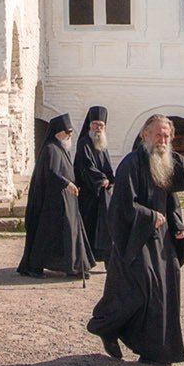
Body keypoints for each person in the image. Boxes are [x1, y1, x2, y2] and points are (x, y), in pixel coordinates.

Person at [88, 114, 184, 366]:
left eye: (166, 136)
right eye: (158, 135)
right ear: (145, 135)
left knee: (167, 285)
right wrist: (148, 216)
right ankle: (105, 326)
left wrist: (177, 225)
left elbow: (171, 201)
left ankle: (155, 351)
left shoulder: (168, 162)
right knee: (143, 287)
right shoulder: (130, 164)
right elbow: (121, 206)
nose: (162, 140)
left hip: (161, 239)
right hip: (135, 238)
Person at [17, 113, 94, 279]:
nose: (69, 136)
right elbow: (51, 173)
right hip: (53, 203)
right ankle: (35, 267)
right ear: (58, 132)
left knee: (68, 234)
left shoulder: (61, 148)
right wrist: (67, 184)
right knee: (48, 236)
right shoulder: (51, 149)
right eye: (67, 132)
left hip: (64, 200)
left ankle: (73, 266)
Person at [73, 106, 114, 262]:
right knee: (89, 225)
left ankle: (102, 256)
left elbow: (107, 166)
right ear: (89, 124)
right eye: (95, 124)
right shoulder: (84, 143)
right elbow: (85, 167)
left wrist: (109, 178)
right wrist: (100, 180)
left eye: (101, 125)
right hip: (89, 194)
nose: (98, 128)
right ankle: (86, 258)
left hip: (102, 195)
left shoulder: (102, 144)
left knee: (104, 226)